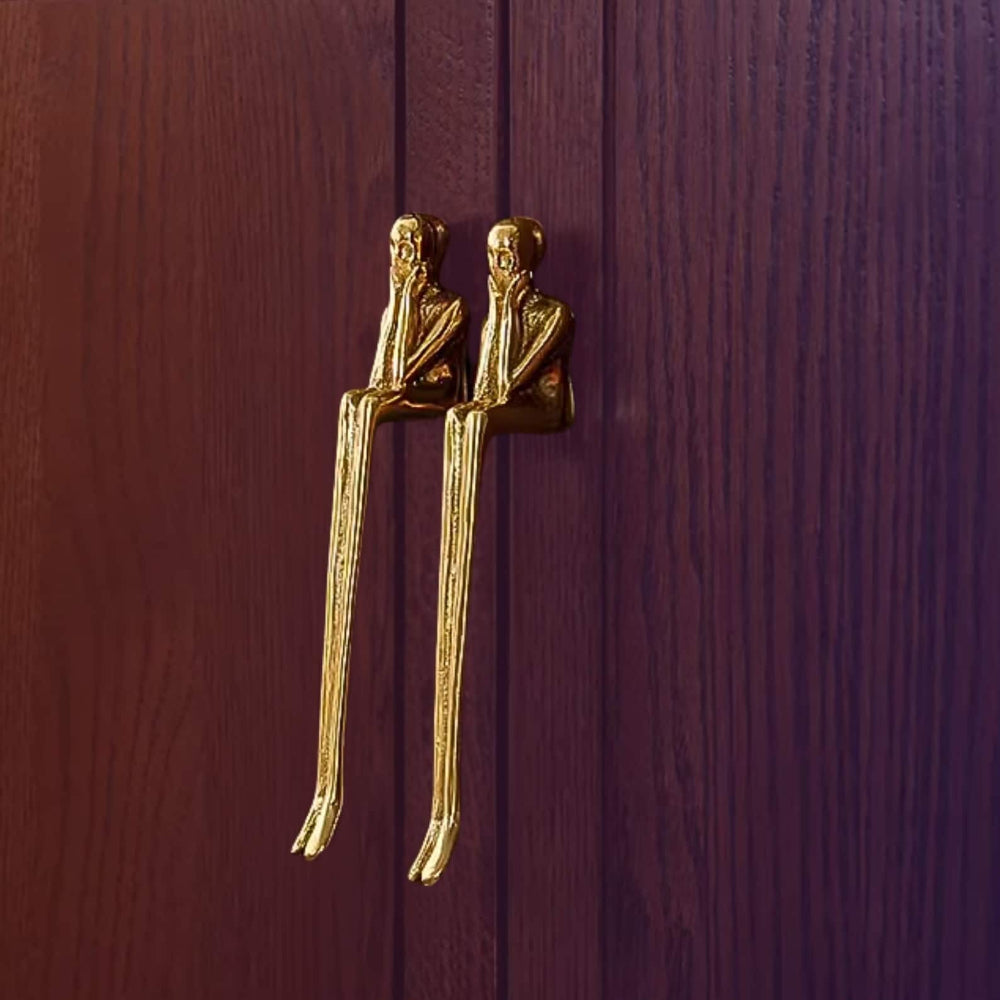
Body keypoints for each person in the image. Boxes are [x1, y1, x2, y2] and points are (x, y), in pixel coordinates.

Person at [293, 214, 468, 861]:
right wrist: (395, 302)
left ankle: (442, 811)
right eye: (393, 247)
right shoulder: (399, 303)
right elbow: (381, 369)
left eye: (408, 248)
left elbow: (415, 368)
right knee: (353, 404)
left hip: (439, 396)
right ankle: (326, 788)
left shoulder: (449, 306)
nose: (397, 256)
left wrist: (391, 377)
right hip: (398, 393)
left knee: (377, 406)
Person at [409, 217, 574, 885]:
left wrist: (503, 310)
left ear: (526, 259)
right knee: (378, 410)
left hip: (537, 406)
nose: (497, 265)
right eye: (491, 256)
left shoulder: (552, 313)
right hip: (481, 406)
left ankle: (445, 810)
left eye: (506, 255)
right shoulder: (452, 309)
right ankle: (346, 788)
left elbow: (505, 388)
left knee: (468, 418)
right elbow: (472, 389)